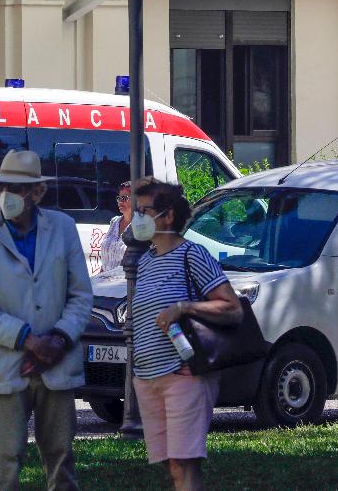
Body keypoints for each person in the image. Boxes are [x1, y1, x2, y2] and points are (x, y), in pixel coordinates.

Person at [0, 149, 93, 491]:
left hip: (57, 365)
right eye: (2, 187)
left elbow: (80, 295)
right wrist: (31, 342)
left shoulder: (62, 228)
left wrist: (59, 341)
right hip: (5, 369)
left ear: (38, 192)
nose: (8, 196)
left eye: (18, 188)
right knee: (3, 467)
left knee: (62, 461)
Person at [130, 177, 242, 491]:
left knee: (184, 463)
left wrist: (185, 307)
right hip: (148, 378)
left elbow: (233, 309)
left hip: (185, 375)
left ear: (167, 216)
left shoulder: (193, 255)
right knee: (170, 465)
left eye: (144, 211)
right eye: (136, 211)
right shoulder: (146, 261)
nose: (137, 218)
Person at [100, 180, 133, 273]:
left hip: (124, 284)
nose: (120, 202)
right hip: (105, 282)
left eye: (125, 198)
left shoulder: (140, 226)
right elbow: (105, 261)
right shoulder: (114, 221)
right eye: (119, 198)